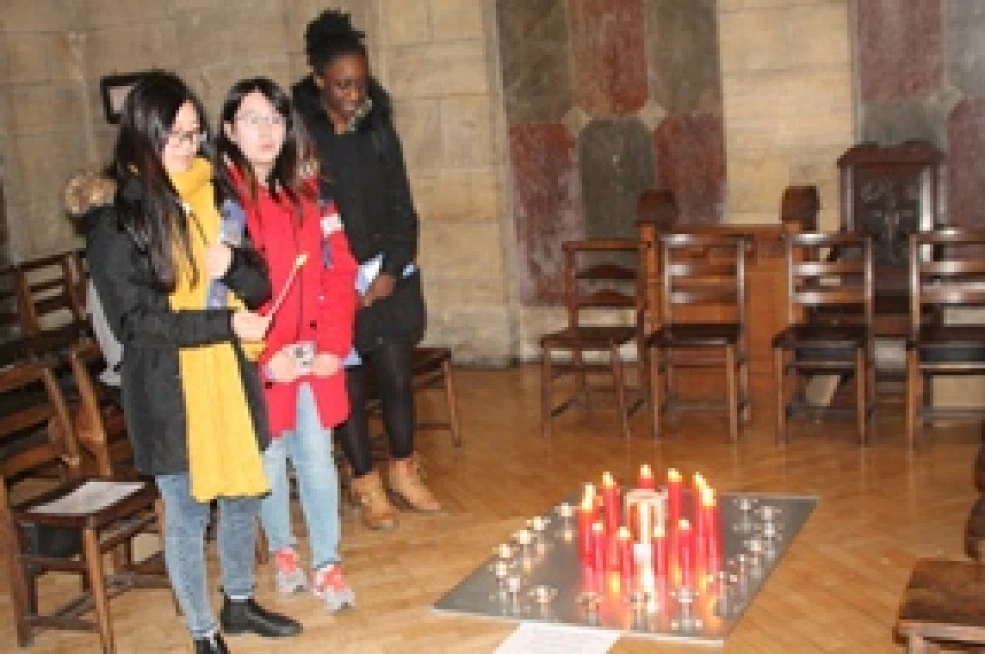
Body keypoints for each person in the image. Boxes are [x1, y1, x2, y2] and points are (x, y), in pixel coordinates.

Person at [74, 71, 301, 653]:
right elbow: (137, 324)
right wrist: (223, 322)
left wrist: (233, 269)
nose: (185, 147)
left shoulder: (214, 193)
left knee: (243, 498)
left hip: (227, 376)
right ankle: (203, 631)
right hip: (169, 389)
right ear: (140, 136)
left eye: (194, 134)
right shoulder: (115, 219)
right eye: (172, 136)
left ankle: (242, 602)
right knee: (186, 514)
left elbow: (259, 279)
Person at [293, 8, 439, 531]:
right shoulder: (302, 142)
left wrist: (390, 272)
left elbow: (404, 207)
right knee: (347, 385)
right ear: (319, 83)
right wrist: (339, 284)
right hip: (334, 278)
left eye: (362, 82)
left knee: (396, 375)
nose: (357, 95)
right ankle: (366, 484)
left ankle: (403, 469)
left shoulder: (378, 130)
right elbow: (301, 218)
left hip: (386, 269)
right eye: (344, 85)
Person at [216, 77, 358, 610]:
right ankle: (282, 550)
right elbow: (219, 294)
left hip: (311, 352)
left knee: (318, 457)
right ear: (230, 130)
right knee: (269, 460)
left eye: (275, 118)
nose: (266, 131)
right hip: (256, 359)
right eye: (252, 119)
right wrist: (265, 353)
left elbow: (340, 273)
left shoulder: (312, 194)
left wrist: (330, 344)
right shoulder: (223, 205)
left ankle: (328, 562)